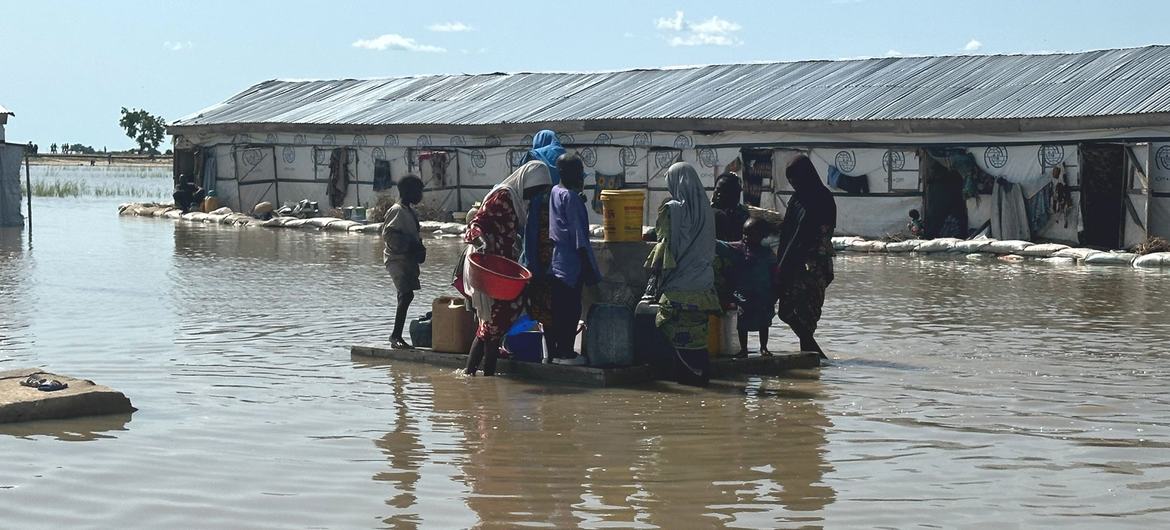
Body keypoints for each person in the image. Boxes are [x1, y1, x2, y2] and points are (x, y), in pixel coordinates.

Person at [461, 161, 552, 376]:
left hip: (505, 270)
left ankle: (471, 374)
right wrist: (483, 242)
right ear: (527, 182)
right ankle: (488, 378)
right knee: (494, 322)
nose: (535, 196)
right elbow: (477, 223)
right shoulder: (502, 196)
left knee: (490, 326)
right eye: (535, 190)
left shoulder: (517, 199)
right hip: (489, 269)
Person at [645, 162, 720, 386]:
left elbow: (664, 248)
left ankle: (687, 384)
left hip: (680, 287)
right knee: (698, 338)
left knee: (676, 335)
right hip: (704, 287)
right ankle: (701, 382)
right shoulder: (707, 210)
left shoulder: (672, 210)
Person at [775, 155, 836, 358]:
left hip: (813, 265)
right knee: (786, 311)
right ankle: (813, 358)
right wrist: (781, 263)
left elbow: (814, 233)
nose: (793, 184)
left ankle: (813, 362)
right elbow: (788, 232)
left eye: (796, 179)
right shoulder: (798, 198)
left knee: (807, 315)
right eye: (790, 180)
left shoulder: (822, 198)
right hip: (792, 263)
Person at [547, 153, 600, 364]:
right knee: (571, 310)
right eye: (579, 175)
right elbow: (579, 238)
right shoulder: (571, 198)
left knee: (559, 310)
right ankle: (567, 354)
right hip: (571, 263)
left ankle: (556, 353)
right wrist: (590, 271)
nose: (582, 179)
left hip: (557, 260)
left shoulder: (555, 191)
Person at [519, 130, 565, 353]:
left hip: (538, 241)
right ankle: (560, 349)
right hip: (561, 248)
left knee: (540, 298)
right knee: (560, 300)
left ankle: (549, 350)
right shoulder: (563, 159)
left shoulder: (533, 159)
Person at [382, 175, 426, 349]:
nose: (420, 195)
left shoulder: (409, 211)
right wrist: (411, 245)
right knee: (406, 294)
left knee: (407, 295)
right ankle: (395, 336)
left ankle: (396, 335)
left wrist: (419, 249)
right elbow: (390, 235)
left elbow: (414, 235)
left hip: (406, 260)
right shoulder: (397, 210)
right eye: (418, 191)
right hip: (396, 260)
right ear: (408, 192)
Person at [731, 217, 778, 357]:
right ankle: (743, 349)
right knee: (742, 322)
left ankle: (763, 347)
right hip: (743, 293)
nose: (745, 237)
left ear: (762, 236)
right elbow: (723, 246)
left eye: (750, 234)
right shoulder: (740, 248)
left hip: (763, 293)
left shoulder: (768, 253)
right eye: (744, 233)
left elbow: (775, 274)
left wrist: (775, 293)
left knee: (764, 322)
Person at [712, 172, 750, 242]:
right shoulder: (707, 213)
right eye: (717, 190)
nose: (719, 194)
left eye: (724, 191)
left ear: (735, 194)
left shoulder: (743, 216)